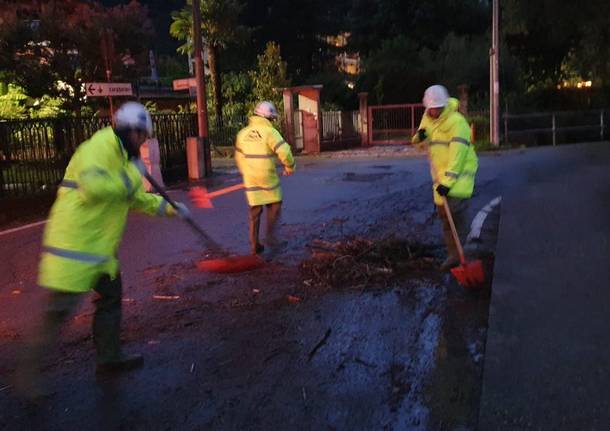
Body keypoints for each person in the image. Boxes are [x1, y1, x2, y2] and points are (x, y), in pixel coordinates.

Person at [17, 102, 190, 397]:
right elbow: (94, 187)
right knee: (57, 312)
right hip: (75, 246)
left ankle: (109, 359)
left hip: (100, 249)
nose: (144, 142)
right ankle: (26, 378)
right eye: (142, 136)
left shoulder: (126, 159)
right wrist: (128, 177)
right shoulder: (99, 147)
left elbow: (136, 200)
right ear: (129, 130)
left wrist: (171, 208)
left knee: (110, 300)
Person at [411, 85, 479, 271]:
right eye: (431, 108)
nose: (434, 111)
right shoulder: (428, 119)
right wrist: (419, 137)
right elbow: (419, 144)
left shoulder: (457, 122)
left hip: (457, 181)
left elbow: (458, 157)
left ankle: (467, 259)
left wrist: (448, 183)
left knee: (458, 222)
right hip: (440, 182)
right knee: (447, 223)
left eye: (437, 107)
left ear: (443, 105)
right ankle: (453, 257)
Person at [235, 101, 295, 257]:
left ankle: (255, 246)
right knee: (275, 204)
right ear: (268, 117)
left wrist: (246, 173)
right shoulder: (270, 132)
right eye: (272, 118)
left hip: (251, 179)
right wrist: (289, 167)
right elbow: (285, 151)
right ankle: (270, 238)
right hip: (267, 176)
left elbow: (239, 157)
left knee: (254, 211)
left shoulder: (242, 134)